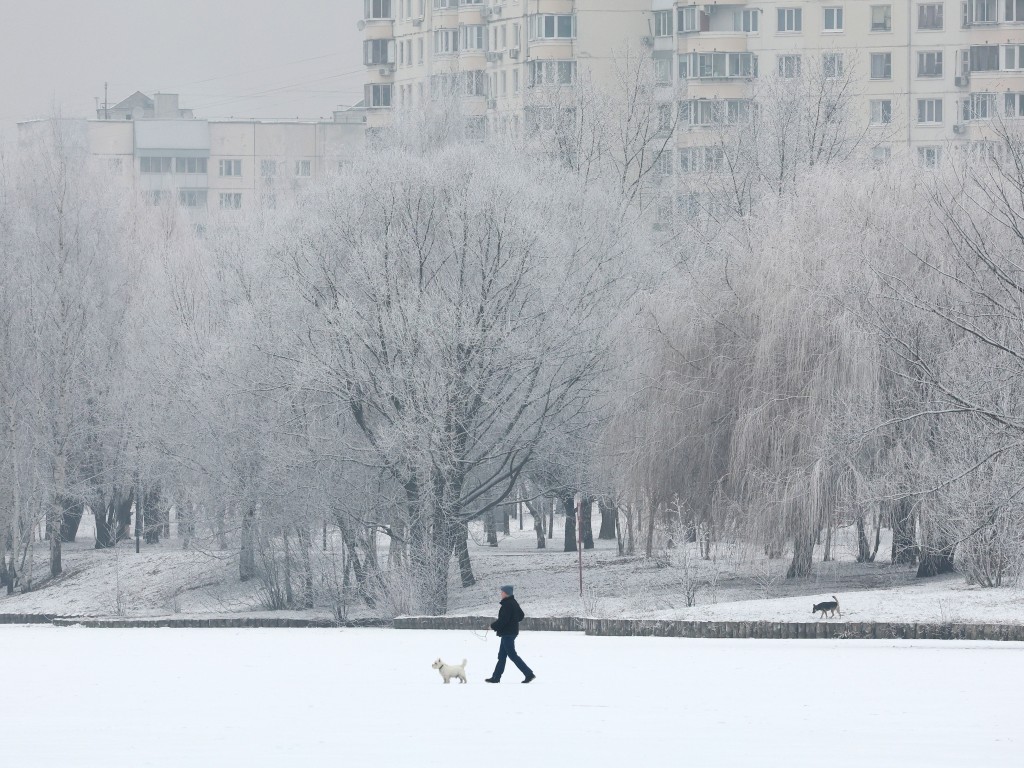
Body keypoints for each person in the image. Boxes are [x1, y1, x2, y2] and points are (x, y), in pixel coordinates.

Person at [485, 585, 536, 684]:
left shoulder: (507, 604)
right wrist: (513, 621)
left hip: (508, 633)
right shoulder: (513, 602)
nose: (501, 593)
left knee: (512, 655)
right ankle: (496, 677)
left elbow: (503, 620)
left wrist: (492, 626)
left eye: (502, 592)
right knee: (502, 656)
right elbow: (521, 615)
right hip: (509, 633)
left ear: (506, 593)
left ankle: (529, 674)